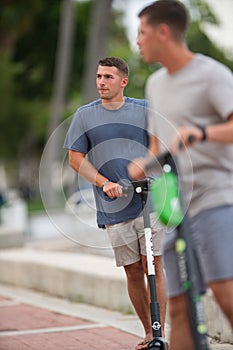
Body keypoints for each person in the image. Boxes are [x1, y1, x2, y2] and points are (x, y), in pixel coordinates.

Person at [128, 1, 233, 349]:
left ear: (163, 32)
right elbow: (159, 144)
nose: (137, 40)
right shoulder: (156, 85)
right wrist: (142, 164)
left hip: (216, 197)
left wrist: (201, 133)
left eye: (142, 32)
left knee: (225, 294)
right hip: (175, 207)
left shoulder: (212, 74)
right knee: (178, 306)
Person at [63, 57, 167, 349]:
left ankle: (158, 332)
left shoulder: (145, 109)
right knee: (133, 270)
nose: (101, 82)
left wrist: (149, 168)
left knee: (154, 265)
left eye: (108, 76)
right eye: (98, 76)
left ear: (123, 81)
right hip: (113, 207)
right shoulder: (84, 115)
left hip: (150, 201)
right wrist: (103, 183)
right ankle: (148, 331)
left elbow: (162, 144)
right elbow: (75, 159)